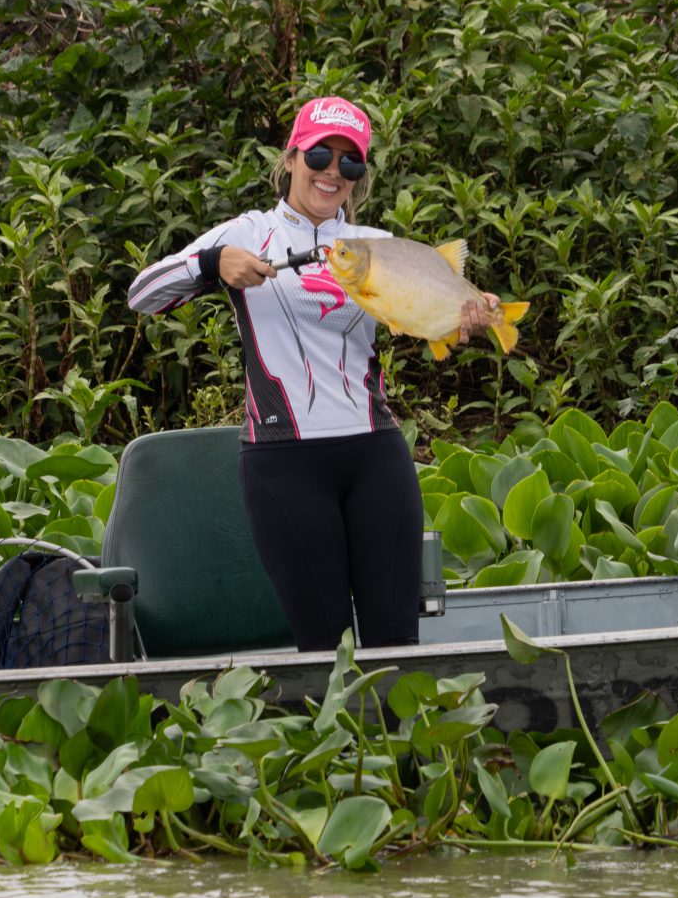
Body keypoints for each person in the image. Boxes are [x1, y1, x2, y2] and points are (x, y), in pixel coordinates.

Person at [128, 97, 500, 651]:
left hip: (377, 456)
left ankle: (395, 741)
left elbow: (426, 317)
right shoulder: (249, 233)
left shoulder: (380, 246)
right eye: (321, 154)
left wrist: (466, 315)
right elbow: (142, 295)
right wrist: (212, 264)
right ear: (292, 155)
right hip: (284, 463)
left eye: (350, 164)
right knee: (323, 651)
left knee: (396, 647)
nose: (333, 172)